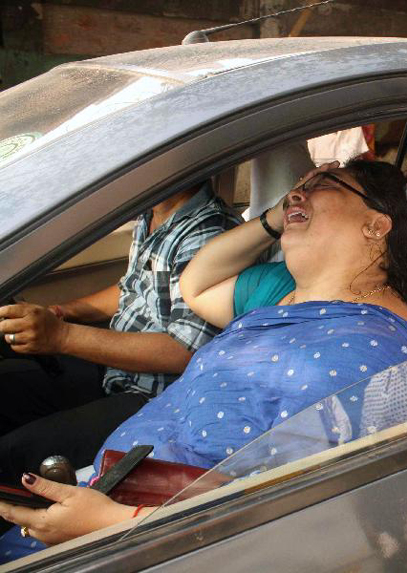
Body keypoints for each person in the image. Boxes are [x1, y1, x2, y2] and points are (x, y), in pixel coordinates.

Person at [0, 159, 407, 557]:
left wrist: (112, 526)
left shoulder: (377, 350)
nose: (300, 191)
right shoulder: (283, 299)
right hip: (112, 500)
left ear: (376, 225)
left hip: (153, 542)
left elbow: (295, 525)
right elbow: (194, 283)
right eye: (300, 184)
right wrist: (277, 216)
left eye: (326, 184)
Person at [0, 183, 241, 484]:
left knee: (10, 457)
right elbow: (132, 287)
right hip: (117, 371)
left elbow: (184, 351)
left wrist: (60, 336)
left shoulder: (208, 231)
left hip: (154, 399)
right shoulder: (153, 215)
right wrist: (62, 312)